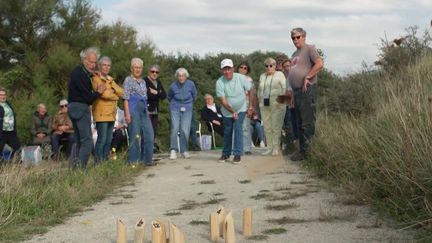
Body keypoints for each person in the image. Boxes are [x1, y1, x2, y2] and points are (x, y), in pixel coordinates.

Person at [288, 27, 324, 161]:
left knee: (307, 122)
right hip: (296, 91)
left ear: (304, 37)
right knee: (299, 122)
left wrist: (308, 77)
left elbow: (319, 64)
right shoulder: (294, 54)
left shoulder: (309, 48)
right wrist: (291, 93)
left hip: (307, 90)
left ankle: (309, 152)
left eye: (298, 37)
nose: (295, 40)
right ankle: (303, 151)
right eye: (293, 38)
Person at [67, 47, 106, 168]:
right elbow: (89, 98)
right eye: (90, 61)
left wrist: (92, 74)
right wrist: (99, 92)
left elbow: (85, 77)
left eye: (95, 62)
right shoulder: (80, 75)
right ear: (84, 60)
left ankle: (74, 168)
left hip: (73, 107)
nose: (93, 65)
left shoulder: (79, 72)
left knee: (79, 141)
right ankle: (80, 170)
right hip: (80, 108)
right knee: (87, 142)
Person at [216, 59, 254, 164]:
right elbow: (223, 101)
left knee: (238, 128)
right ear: (222, 70)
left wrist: (250, 106)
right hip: (227, 110)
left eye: (229, 69)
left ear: (233, 69)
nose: (227, 72)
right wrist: (232, 111)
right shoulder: (219, 82)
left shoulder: (241, 78)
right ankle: (226, 154)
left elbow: (251, 90)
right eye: (224, 69)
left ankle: (237, 154)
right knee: (228, 130)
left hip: (241, 108)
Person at [92, 56, 124, 163]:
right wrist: (115, 95)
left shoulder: (110, 80)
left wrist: (113, 91)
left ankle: (105, 161)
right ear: (99, 66)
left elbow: (121, 91)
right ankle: (98, 162)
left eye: (108, 65)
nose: (106, 67)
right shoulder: (96, 78)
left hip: (111, 114)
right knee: (102, 139)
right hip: (101, 114)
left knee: (109, 139)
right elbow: (104, 94)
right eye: (104, 65)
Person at [123, 57, 155, 166]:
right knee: (135, 136)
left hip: (144, 110)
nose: (137, 70)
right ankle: (133, 161)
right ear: (132, 68)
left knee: (149, 134)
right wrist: (127, 114)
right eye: (136, 67)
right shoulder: (128, 80)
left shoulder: (143, 81)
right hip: (133, 109)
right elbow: (125, 98)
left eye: (140, 68)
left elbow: (145, 97)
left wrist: (147, 110)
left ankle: (147, 160)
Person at [257, 57, 286, 156]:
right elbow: (259, 90)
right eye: (266, 66)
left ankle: (276, 148)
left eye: (271, 65)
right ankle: (269, 147)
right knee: (267, 127)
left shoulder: (280, 75)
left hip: (277, 104)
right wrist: (259, 101)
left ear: (275, 66)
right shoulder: (262, 76)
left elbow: (284, 89)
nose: (269, 67)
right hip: (264, 105)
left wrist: (281, 102)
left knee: (276, 127)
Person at [167, 68, 197, 160]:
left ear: (186, 76)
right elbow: (169, 97)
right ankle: (173, 150)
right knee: (175, 128)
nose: (181, 78)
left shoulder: (191, 84)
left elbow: (194, 95)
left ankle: (184, 150)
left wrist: (188, 103)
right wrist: (177, 104)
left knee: (185, 129)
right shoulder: (173, 86)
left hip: (187, 108)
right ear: (177, 76)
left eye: (183, 76)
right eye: (179, 76)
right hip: (175, 107)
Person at [144, 64, 166, 153]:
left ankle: (151, 148)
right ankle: (146, 150)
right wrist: (158, 93)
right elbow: (147, 95)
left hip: (155, 110)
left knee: (154, 130)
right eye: (152, 71)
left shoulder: (158, 82)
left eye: (156, 72)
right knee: (147, 131)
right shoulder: (144, 81)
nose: (154, 74)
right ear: (149, 72)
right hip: (147, 109)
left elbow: (164, 95)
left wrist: (155, 92)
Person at [237, 61, 256, 155]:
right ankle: (236, 147)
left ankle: (247, 148)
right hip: (235, 106)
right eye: (241, 67)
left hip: (246, 104)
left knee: (245, 127)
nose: (243, 69)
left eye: (245, 68)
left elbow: (252, 94)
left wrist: (251, 107)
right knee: (235, 127)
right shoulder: (233, 78)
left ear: (247, 70)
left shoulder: (249, 79)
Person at [0, 87, 21, 162]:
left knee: (18, 147)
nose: (3, 96)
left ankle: (10, 161)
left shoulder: (8, 104)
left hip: (11, 131)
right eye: (1, 95)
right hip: (2, 132)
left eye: (4, 94)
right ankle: (2, 168)